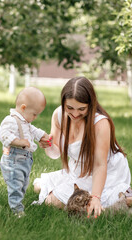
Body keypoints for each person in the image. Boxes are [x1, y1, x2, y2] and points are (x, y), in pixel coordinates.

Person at [33, 76, 132, 217]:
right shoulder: (58, 115)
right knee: (38, 186)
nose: (75, 114)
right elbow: (55, 153)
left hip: (106, 171)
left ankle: (119, 199)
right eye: (70, 108)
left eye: (81, 109)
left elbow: (99, 165)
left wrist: (96, 197)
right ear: (63, 102)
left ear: (90, 105)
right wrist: (47, 145)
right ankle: (112, 204)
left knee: (51, 201)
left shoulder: (100, 124)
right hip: (79, 169)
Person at [0, 87, 51, 217]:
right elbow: (3, 134)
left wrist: (43, 135)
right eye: (34, 114)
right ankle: (17, 211)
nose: (35, 117)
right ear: (23, 108)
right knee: (16, 185)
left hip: (24, 161)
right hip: (13, 160)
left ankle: (17, 203)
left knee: (23, 184)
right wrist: (18, 141)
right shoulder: (11, 120)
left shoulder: (25, 122)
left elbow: (33, 130)